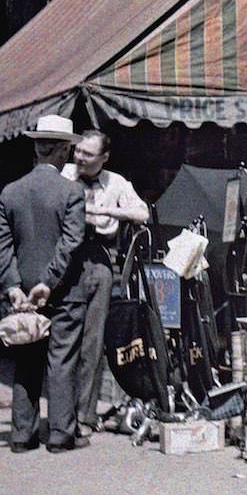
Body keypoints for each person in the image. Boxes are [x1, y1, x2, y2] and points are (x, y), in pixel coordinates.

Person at [0, 114, 88, 453]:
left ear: (37, 148)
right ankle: (60, 435)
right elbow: (71, 242)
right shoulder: (72, 192)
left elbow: (3, 245)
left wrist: (13, 286)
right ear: (63, 151)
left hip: (20, 289)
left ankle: (23, 435)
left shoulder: (10, 192)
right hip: (64, 290)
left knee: (26, 359)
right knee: (62, 360)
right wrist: (49, 282)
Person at [62, 129, 149, 436]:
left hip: (100, 261)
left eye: (88, 154)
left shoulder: (116, 183)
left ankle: (85, 416)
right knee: (63, 343)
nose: (80, 158)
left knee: (93, 342)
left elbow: (142, 213)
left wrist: (109, 210)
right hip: (65, 264)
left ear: (104, 158)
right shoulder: (64, 174)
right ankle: (63, 415)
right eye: (78, 151)